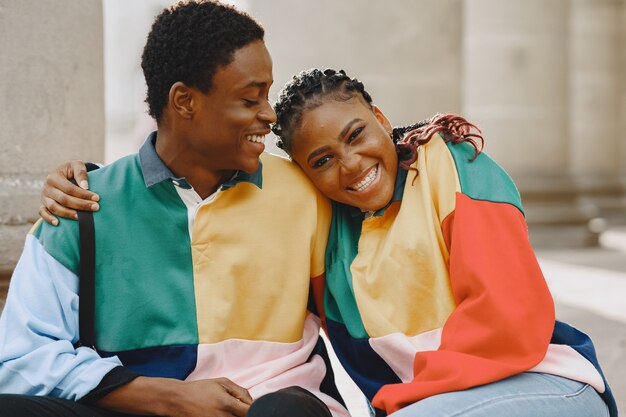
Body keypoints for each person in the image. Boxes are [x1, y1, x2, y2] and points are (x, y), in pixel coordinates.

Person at [42, 68, 619, 417]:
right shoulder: (321, 224)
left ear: (380, 116)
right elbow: (198, 175)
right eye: (322, 160)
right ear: (302, 175)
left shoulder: (453, 165)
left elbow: (507, 317)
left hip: (545, 386)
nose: (352, 166)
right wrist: (89, 180)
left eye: (357, 135)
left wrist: (400, 402)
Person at [0, 3, 349, 417]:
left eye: (267, 95)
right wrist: (169, 397)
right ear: (184, 101)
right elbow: (20, 360)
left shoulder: (305, 193)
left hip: (274, 405)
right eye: (250, 98)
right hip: (138, 405)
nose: (269, 115)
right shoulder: (83, 205)